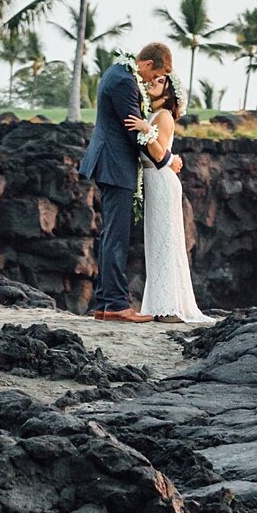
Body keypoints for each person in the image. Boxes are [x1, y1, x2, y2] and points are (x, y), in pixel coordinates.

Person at [78, 40, 180, 321]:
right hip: (114, 163)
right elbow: (135, 131)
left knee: (111, 233)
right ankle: (115, 305)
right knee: (116, 236)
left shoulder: (117, 72)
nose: (152, 81)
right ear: (146, 64)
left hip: (111, 162)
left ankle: (104, 303)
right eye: (153, 74)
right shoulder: (125, 81)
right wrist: (167, 161)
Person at [127, 71, 215, 325]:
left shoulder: (163, 116)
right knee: (156, 243)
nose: (153, 81)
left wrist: (146, 130)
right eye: (152, 79)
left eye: (161, 80)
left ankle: (169, 308)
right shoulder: (150, 115)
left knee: (166, 241)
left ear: (169, 92)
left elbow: (158, 154)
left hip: (162, 182)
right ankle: (159, 305)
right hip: (154, 183)